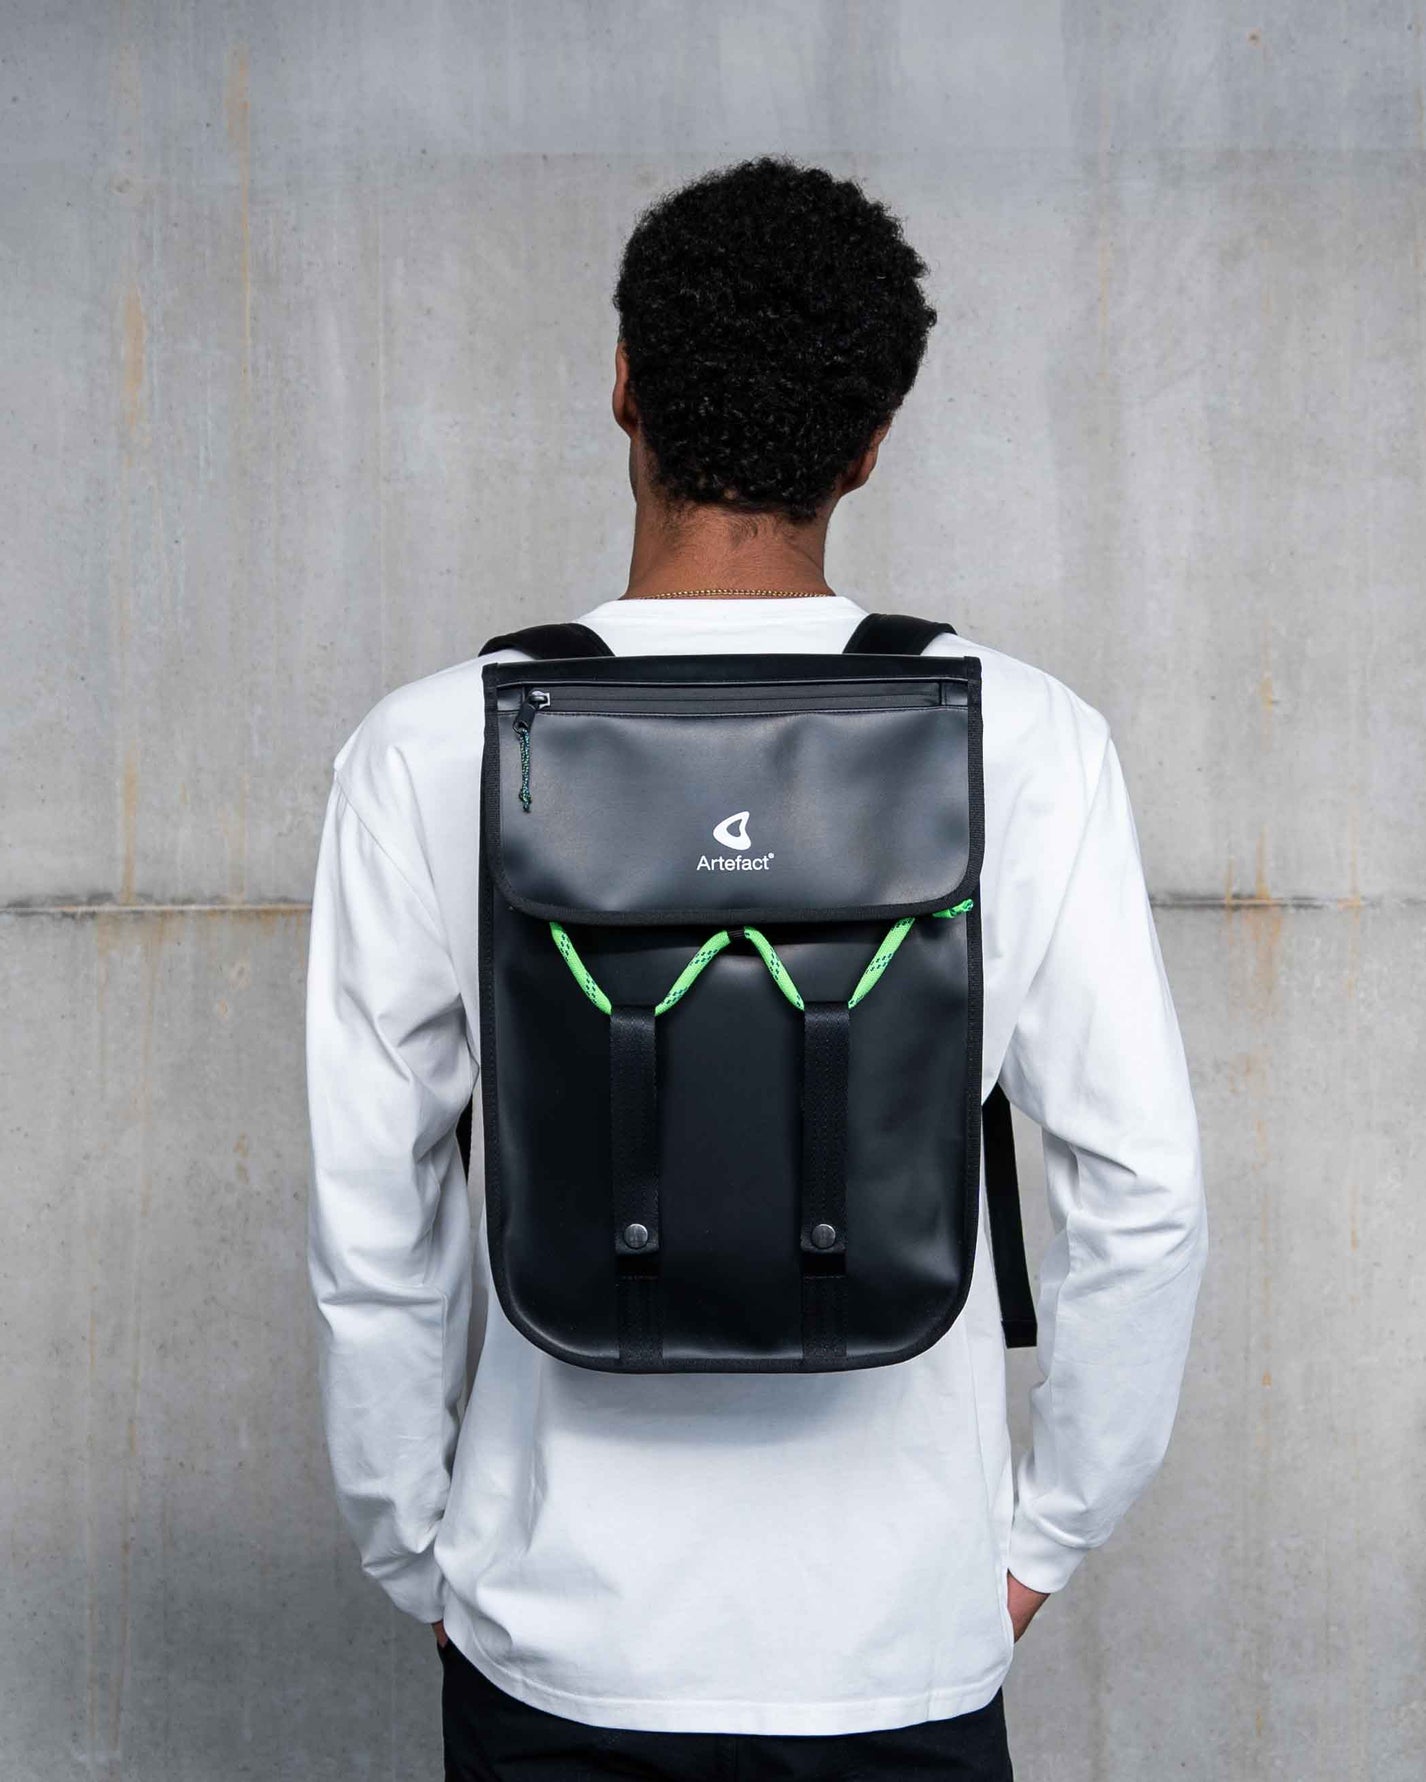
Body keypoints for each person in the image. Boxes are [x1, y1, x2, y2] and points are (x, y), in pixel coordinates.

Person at [306, 157, 1207, 1780]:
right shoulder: (1027, 736)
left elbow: (376, 1217)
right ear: (870, 440)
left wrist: (416, 1547)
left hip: (556, 1635)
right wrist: (1037, 1544)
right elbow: (1140, 1195)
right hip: (897, 1645)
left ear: (622, 385)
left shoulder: (433, 743)